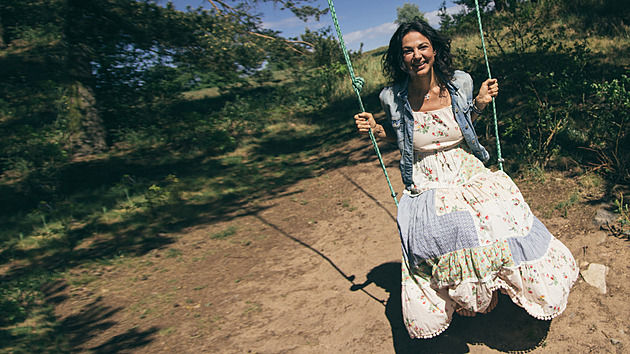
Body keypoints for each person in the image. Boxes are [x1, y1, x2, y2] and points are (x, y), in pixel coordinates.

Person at [354, 18, 578, 339]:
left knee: (500, 215)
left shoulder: (459, 82)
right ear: (399, 58)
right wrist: (375, 129)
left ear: (433, 51)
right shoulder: (392, 97)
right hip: (425, 173)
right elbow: (398, 136)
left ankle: (506, 289)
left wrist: (480, 104)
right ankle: (459, 301)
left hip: (465, 165)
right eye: (407, 51)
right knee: (440, 232)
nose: (416, 55)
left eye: (422, 47)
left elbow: (464, 124)